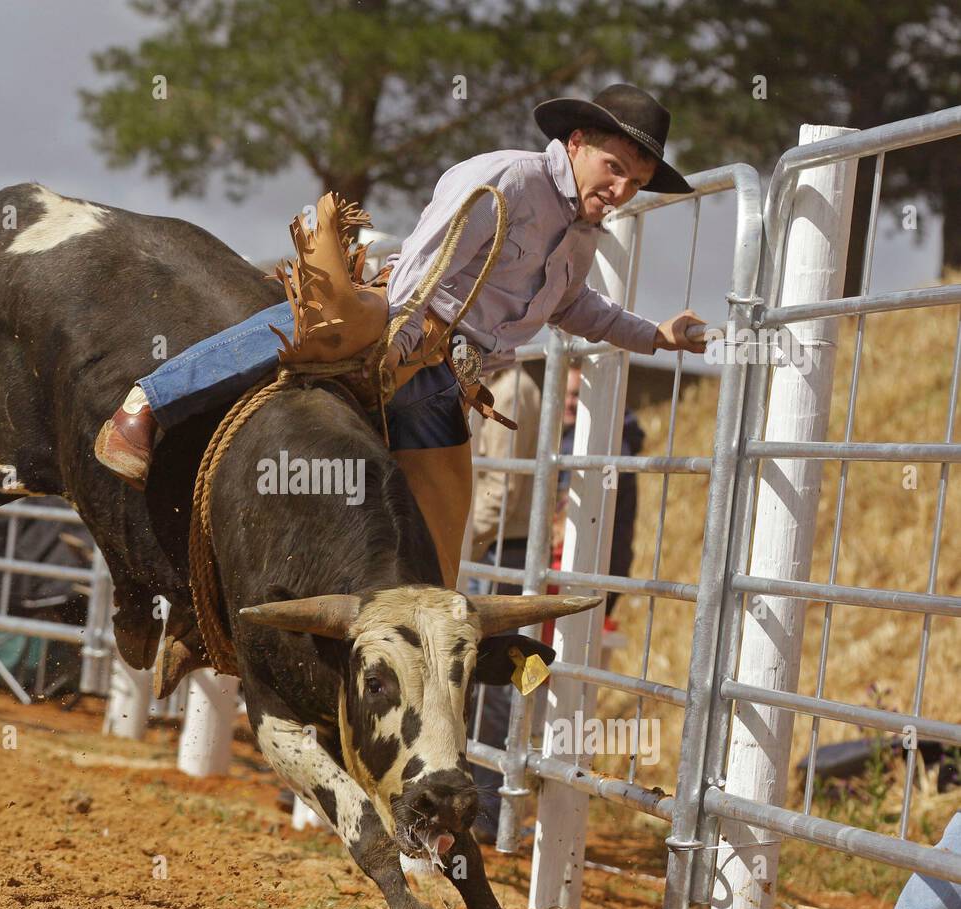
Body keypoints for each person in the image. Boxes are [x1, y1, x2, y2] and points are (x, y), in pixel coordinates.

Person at [95, 83, 707, 591]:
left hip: (449, 385)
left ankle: (411, 628)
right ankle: (146, 403)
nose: (622, 191)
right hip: (409, 329)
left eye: (637, 181)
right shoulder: (507, 180)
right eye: (615, 168)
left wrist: (656, 334)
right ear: (577, 143)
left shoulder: (578, 235)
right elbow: (426, 264)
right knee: (321, 326)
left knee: (439, 541)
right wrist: (393, 340)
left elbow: (575, 307)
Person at [467, 360, 643, 840]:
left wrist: (601, 604)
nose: (569, 405)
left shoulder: (611, 454)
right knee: (519, 689)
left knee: (532, 691)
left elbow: (616, 541)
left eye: (576, 398)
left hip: (567, 598)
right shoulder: (567, 444)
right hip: (544, 586)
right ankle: (500, 798)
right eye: (566, 396)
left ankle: (511, 806)